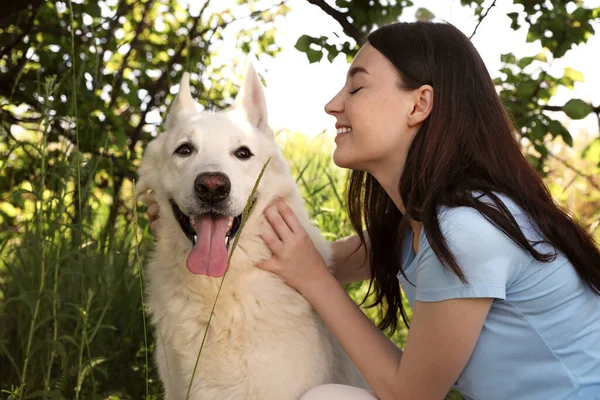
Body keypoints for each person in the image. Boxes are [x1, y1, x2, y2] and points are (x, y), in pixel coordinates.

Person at [145, 21, 600, 400]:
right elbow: (312, 256)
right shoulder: (416, 225)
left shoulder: (468, 228)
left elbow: (412, 396)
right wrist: (195, 221)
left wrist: (316, 281)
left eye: (356, 86)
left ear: (419, 104)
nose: (332, 105)